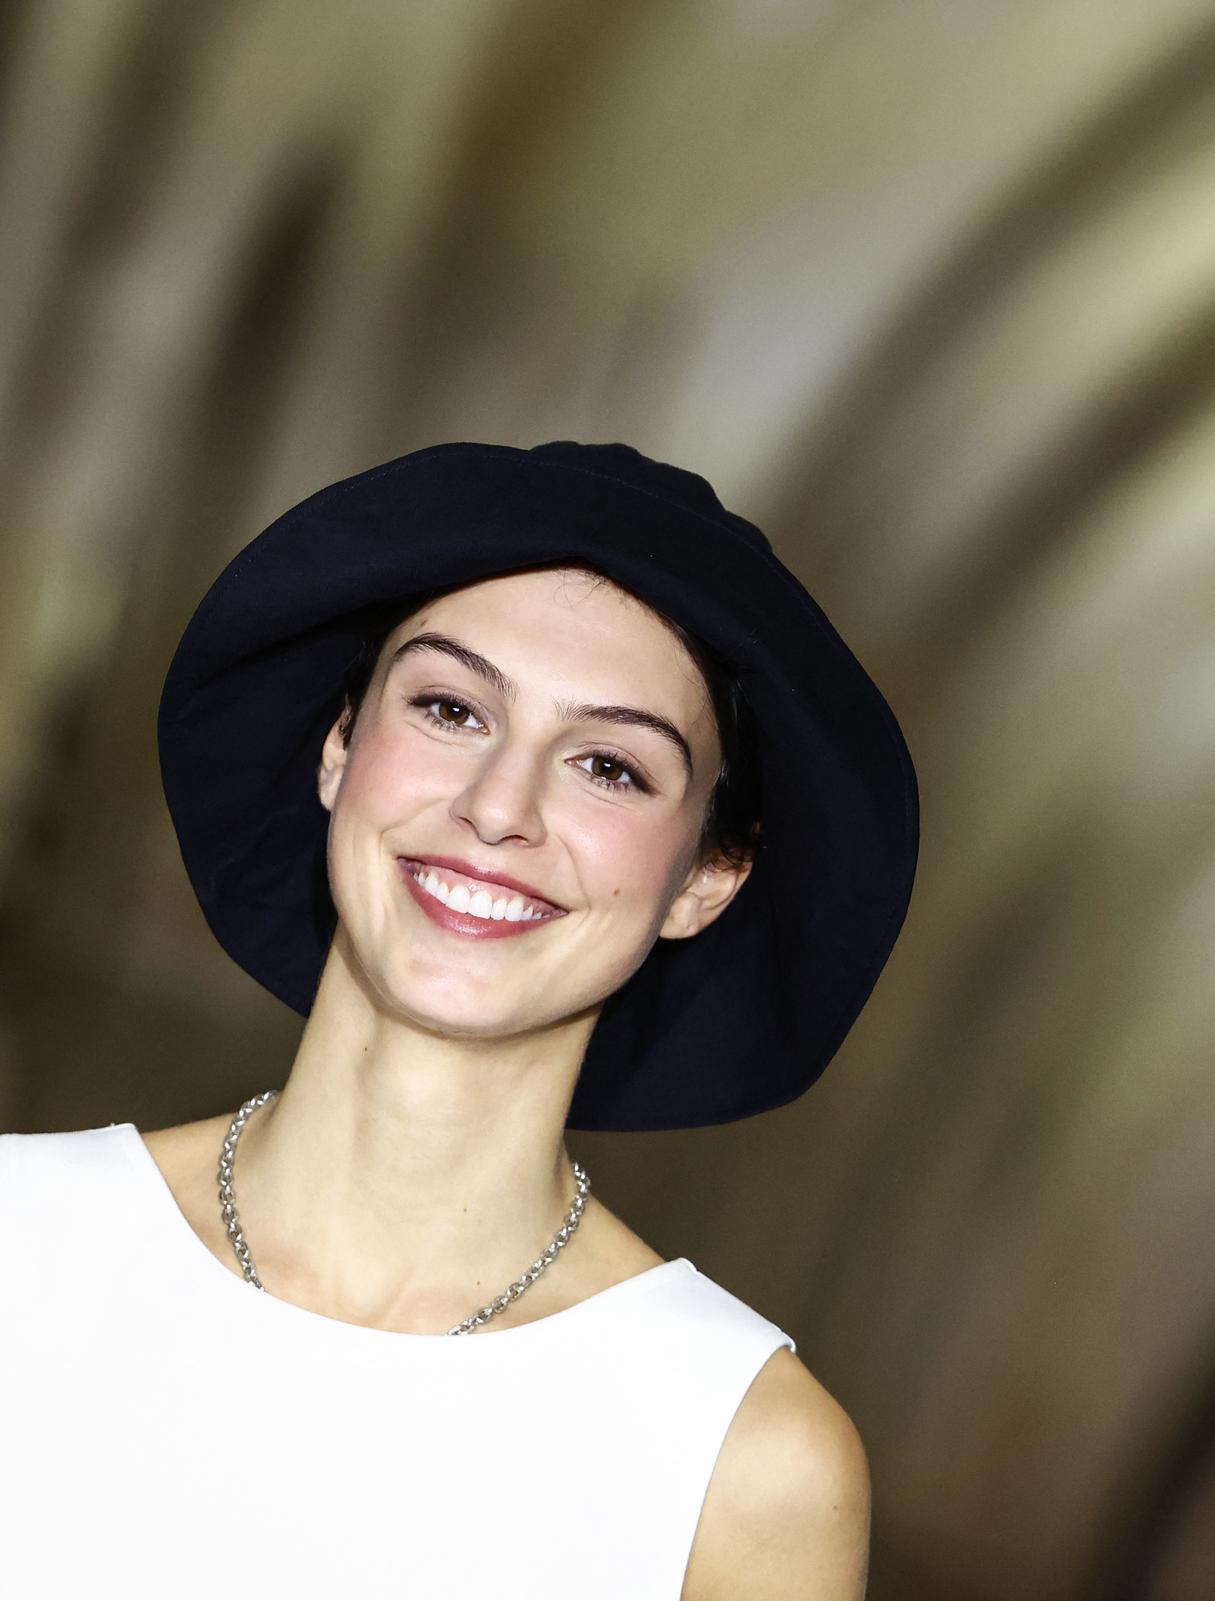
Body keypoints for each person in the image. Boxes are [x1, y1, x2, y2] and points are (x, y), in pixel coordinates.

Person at [0, 441, 919, 1599]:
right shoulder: (16, 1246)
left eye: (610, 767)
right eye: (449, 707)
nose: (497, 807)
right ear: (339, 747)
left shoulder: (742, 1461)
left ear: (707, 879)